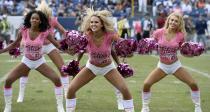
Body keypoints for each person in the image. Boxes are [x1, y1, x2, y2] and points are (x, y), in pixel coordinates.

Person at [66, 8, 135, 112]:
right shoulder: (87, 35)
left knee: (125, 90)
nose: (93, 24)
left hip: (108, 68)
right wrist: (76, 62)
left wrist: (128, 49)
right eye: (91, 22)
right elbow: (81, 50)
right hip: (91, 67)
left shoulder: (110, 35)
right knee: (71, 89)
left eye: (96, 22)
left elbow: (122, 45)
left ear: (102, 24)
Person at [0, 10, 65, 112]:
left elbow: (57, 45)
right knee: (8, 81)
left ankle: (60, 106)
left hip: (39, 61)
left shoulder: (45, 33)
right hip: (26, 61)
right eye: (33, 18)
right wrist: (2, 50)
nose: (34, 20)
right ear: (29, 20)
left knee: (57, 79)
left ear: (40, 21)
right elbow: (14, 44)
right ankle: (8, 107)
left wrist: (69, 50)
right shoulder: (23, 31)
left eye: (37, 19)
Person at [140, 12, 202, 112]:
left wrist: (192, 53)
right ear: (168, 20)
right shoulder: (158, 32)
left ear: (179, 24)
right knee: (146, 84)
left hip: (175, 65)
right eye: (172, 20)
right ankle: (145, 107)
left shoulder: (180, 35)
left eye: (176, 21)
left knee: (193, 83)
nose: (173, 22)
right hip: (162, 66)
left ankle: (198, 107)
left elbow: (183, 52)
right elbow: (150, 44)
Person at [17, 0, 69, 103]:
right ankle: (21, 94)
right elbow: (25, 34)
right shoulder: (34, 21)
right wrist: (22, 43)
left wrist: (66, 41)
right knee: (25, 69)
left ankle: (67, 92)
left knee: (62, 68)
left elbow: (63, 31)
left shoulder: (52, 20)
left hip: (49, 45)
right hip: (35, 46)